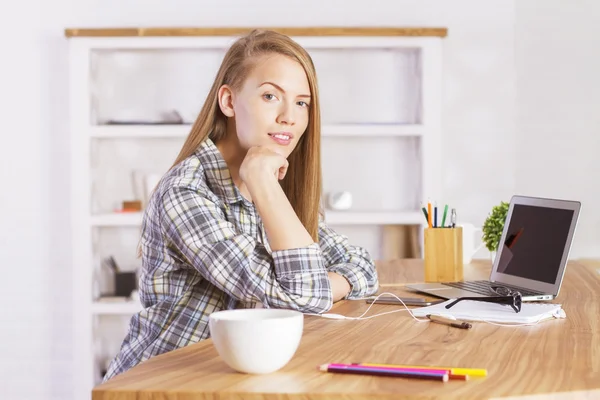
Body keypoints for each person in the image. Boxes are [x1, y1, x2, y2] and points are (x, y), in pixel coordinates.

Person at [103, 29, 379, 381]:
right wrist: (264, 182)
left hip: (231, 378)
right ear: (229, 102)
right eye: (270, 96)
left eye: (301, 102)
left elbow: (362, 265)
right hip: (161, 381)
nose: (289, 118)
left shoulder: (269, 187)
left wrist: (325, 282)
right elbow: (304, 296)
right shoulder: (186, 193)